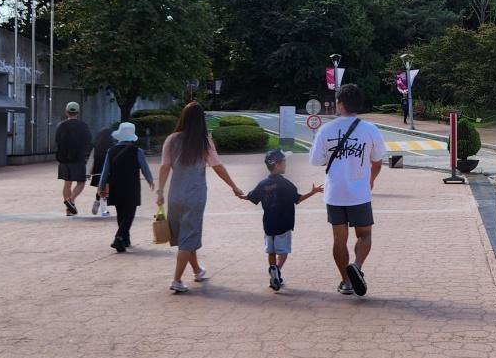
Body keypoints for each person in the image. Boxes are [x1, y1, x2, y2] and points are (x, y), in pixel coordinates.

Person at [156, 102, 244, 294]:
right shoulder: (204, 142)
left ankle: (197, 270)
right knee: (189, 237)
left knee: (185, 236)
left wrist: (160, 191)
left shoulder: (171, 139)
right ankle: (177, 280)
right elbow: (218, 167)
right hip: (195, 196)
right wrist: (234, 186)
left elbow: (164, 167)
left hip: (175, 195)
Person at [309, 83, 387, 297]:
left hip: (334, 193)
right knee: (364, 235)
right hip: (359, 193)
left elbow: (316, 161)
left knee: (338, 239)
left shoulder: (326, 130)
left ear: (340, 104)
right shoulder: (370, 130)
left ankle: (345, 281)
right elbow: (378, 161)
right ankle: (358, 266)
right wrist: (370, 180)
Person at [242, 149, 323, 291]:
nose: (286, 164)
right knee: (283, 252)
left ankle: (273, 269)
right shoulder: (285, 184)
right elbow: (298, 199)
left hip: (268, 224)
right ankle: (277, 271)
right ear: (278, 164)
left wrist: (242, 195)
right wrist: (313, 192)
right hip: (284, 224)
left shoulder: (263, 184)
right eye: (284, 161)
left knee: (271, 252)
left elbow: (251, 196)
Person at [97, 122, 155, 252]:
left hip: (116, 186)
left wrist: (101, 187)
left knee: (121, 213)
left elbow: (105, 171)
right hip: (132, 186)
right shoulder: (137, 151)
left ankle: (125, 239)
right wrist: (150, 180)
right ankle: (119, 238)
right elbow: (144, 168)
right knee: (129, 214)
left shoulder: (111, 151)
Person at [54, 102, 92, 216]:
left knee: (67, 183)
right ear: (78, 113)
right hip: (78, 158)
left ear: (66, 112)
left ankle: (69, 210)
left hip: (64, 159)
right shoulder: (83, 126)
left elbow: (57, 141)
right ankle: (70, 201)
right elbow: (88, 140)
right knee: (81, 182)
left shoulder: (61, 125)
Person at [89, 124, 115, 216]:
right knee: (106, 191)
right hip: (108, 172)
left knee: (101, 189)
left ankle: (98, 202)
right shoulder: (112, 148)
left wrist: (88, 172)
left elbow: (91, 160)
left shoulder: (96, 147)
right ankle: (104, 209)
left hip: (97, 172)